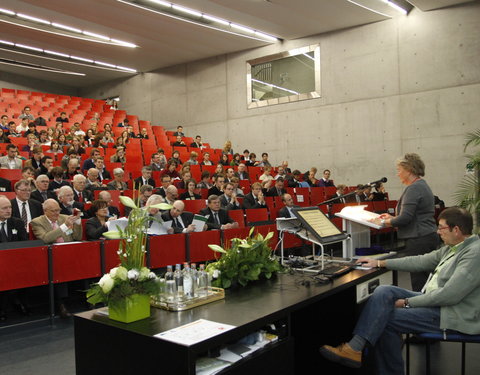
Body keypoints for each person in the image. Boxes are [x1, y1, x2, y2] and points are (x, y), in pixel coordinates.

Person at [319, 207, 480, 373]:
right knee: (384, 291)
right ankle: (355, 348)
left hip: (452, 314)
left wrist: (408, 303)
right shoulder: (453, 247)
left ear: (456, 230)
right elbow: (420, 261)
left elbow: (449, 296)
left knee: (387, 320)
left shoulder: (474, 253)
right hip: (436, 303)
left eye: (441, 227)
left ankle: (366, 355)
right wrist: (381, 263)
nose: (438, 232)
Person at [370, 153, 440, 291]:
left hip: (419, 238)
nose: (398, 174)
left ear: (408, 170)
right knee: (425, 278)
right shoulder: (421, 185)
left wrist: (381, 222)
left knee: (419, 279)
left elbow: (405, 219)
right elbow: (412, 215)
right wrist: (390, 217)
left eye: (399, 170)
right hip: (426, 236)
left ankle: (421, 309)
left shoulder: (414, 188)